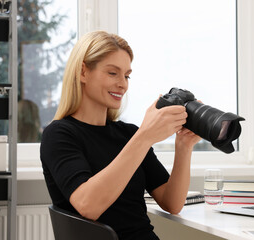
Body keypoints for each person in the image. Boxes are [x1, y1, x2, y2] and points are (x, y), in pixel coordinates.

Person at [40, 31, 201, 240]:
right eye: (112, 73)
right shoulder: (59, 135)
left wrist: (184, 146)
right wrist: (144, 137)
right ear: (83, 72)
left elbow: (172, 203)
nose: (123, 84)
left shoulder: (128, 134)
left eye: (126, 75)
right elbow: (88, 206)